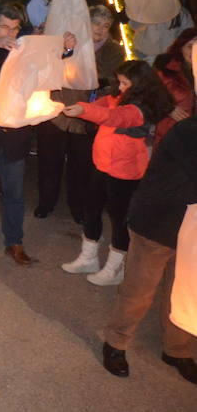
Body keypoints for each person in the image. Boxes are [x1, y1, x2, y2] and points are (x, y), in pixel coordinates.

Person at [0, 2, 75, 265]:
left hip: (14, 136)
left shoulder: (24, 48)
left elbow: (46, 64)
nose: (9, 33)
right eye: (4, 27)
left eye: (15, 28)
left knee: (15, 194)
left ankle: (15, 242)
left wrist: (64, 48)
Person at [96, 114, 197, 382]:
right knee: (139, 290)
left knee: (182, 290)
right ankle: (115, 344)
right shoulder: (188, 132)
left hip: (189, 231)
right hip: (158, 223)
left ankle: (177, 349)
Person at [58, 61, 174, 286]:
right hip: (103, 164)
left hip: (125, 170)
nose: (120, 88)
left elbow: (116, 117)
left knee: (119, 218)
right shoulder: (121, 97)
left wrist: (85, 110)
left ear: (140, 85)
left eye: (125, 83)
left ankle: (115, 267)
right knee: (90, 209)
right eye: (119, 82)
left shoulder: (141, 107)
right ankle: (89, 256)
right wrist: (83, 106)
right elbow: (105, 105)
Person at [36, 4, 126, 221]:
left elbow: (111, 80)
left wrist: (96, 80)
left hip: (87, 115)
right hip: (57, 110)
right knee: (50, 161)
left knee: (81, 165)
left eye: (106, 25)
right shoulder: (70, 41)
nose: (100, 29)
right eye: (96, 23)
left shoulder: (114, 50)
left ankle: (77, 207)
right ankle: (46, 202)